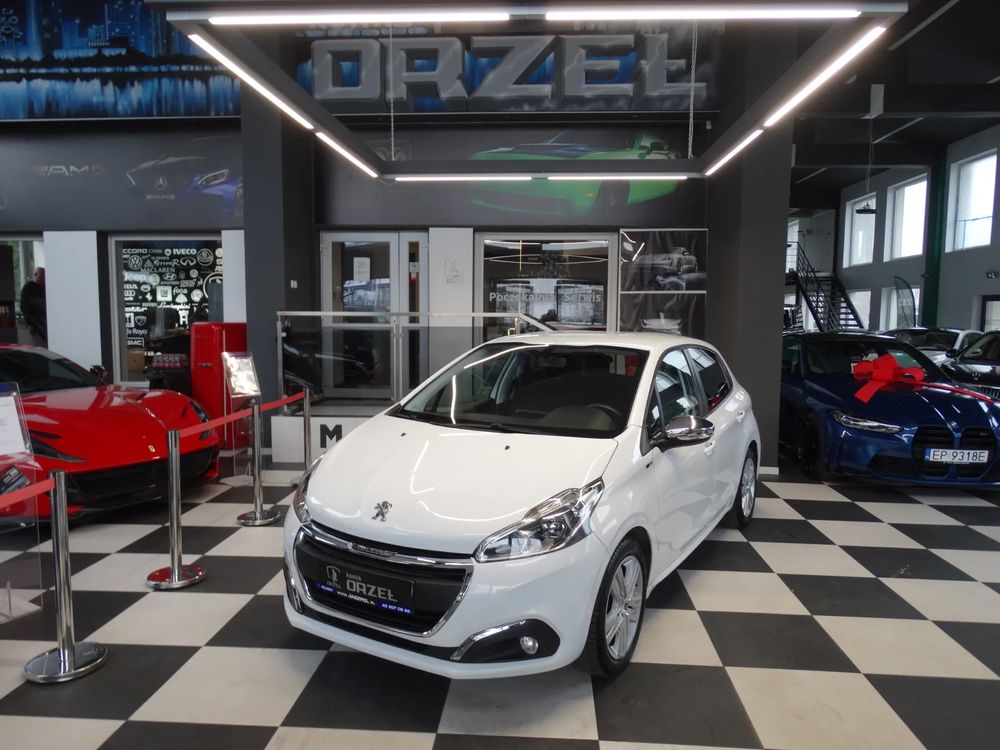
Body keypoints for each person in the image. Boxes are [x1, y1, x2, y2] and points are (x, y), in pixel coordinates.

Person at [20, 267, 46, 345]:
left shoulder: (45, 287)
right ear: (35, 275)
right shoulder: (28, 287)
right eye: (42, 275)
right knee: (37, 347)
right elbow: (24, 306)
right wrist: (30, 324)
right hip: (34, 325)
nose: (44, 277)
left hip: (44, 324)